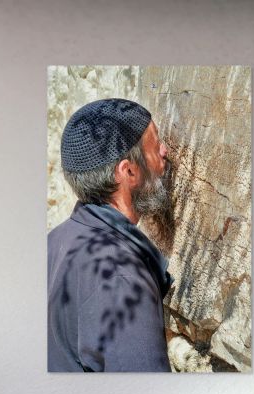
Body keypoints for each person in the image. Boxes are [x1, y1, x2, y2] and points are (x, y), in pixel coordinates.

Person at [48, 98, 174, 372]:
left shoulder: (53, 241)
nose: (165, 151)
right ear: (128, 171)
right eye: (156, 145)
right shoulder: (123, 279)